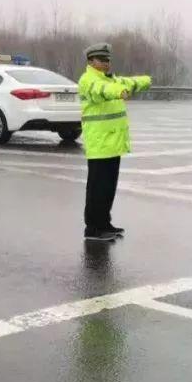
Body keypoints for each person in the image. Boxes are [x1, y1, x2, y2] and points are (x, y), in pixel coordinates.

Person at [78, 43, 152, 242]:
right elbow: (103, 90)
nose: (106, 63)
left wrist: (145, 80)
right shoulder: (88, 80)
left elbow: (129, 82)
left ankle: (104, 223)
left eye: (108, 60)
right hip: (99, 144)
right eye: (102, 60)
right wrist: (119, 91)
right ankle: (93, 228)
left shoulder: (111, 79)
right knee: (97, 188)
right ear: (92, 61)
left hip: (112, 143)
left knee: (108, 187)